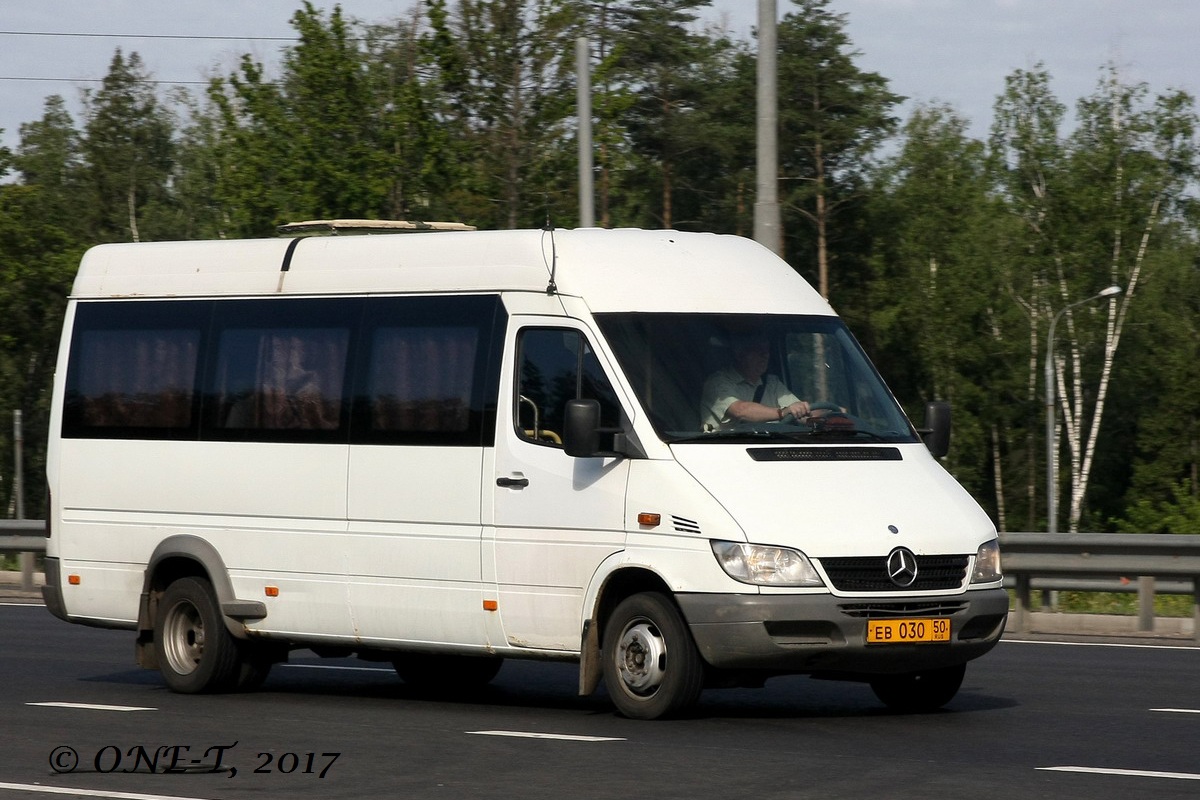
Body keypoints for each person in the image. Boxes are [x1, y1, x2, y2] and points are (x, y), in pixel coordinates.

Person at [700, 334, 813, 431]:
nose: (765, 355)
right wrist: (782, 413)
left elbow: (798, 412)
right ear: (740, 354)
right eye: (758, 350)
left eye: (767, 350)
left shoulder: (772, 383)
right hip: (725, 449)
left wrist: (820, 417)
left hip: (771, 445)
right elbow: (740, 411)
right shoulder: (717, 382)